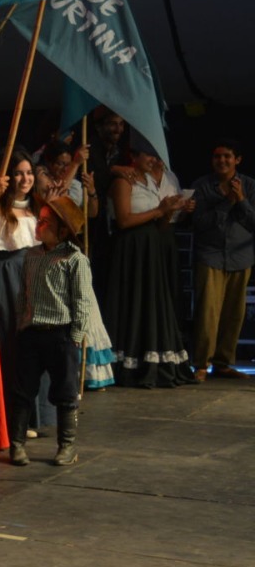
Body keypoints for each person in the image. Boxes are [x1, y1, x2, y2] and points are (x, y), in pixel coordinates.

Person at [11, 197, 97, 466]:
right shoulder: (32, 255)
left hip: (60, 335)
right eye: (41, 219)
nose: (39, 224)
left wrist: (75, 337)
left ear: (62, 229)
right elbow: (23, 295)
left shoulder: (74, 259)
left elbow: (82, 301)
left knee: (66, 392)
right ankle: (16, 444)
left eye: (46, 221)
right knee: (23, 391)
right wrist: (21, 324)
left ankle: (67, 446)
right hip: (31, 332)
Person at [104, 145, 196, 387]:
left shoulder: (152, 183)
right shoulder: (123, 181)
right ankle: (129, 362)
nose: (153, 160)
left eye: (155, 156)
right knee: (133, 302)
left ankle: (154, 360)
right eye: (148, 155)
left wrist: (169, 211)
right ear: (134, 156)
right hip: (131, 249)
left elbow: (161, 223)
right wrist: (159, 210)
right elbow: (123, 220)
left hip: (151, 248)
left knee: (151, 303)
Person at [0, 150, 56, 436]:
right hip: (6, 278)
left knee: (36, 345)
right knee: (10, 343)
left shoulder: (38, 206)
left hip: (34, 276)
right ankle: (11, 416)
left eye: (28, 172)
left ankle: (34, 414)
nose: (25, 178)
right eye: (18, 172)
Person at [188, 139, 254, 381]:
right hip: (211, 255)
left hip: (240, 257)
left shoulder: (249, 186)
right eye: (217, 156)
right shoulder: (203, 186)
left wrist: (242, 201)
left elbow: (252, 223)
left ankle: (224, 363)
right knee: (208, 313)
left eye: (227, 156)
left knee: (234, 314)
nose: (222, 161)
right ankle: (201, 364)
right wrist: (227, 202)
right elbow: (200, 224)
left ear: (237, 159)